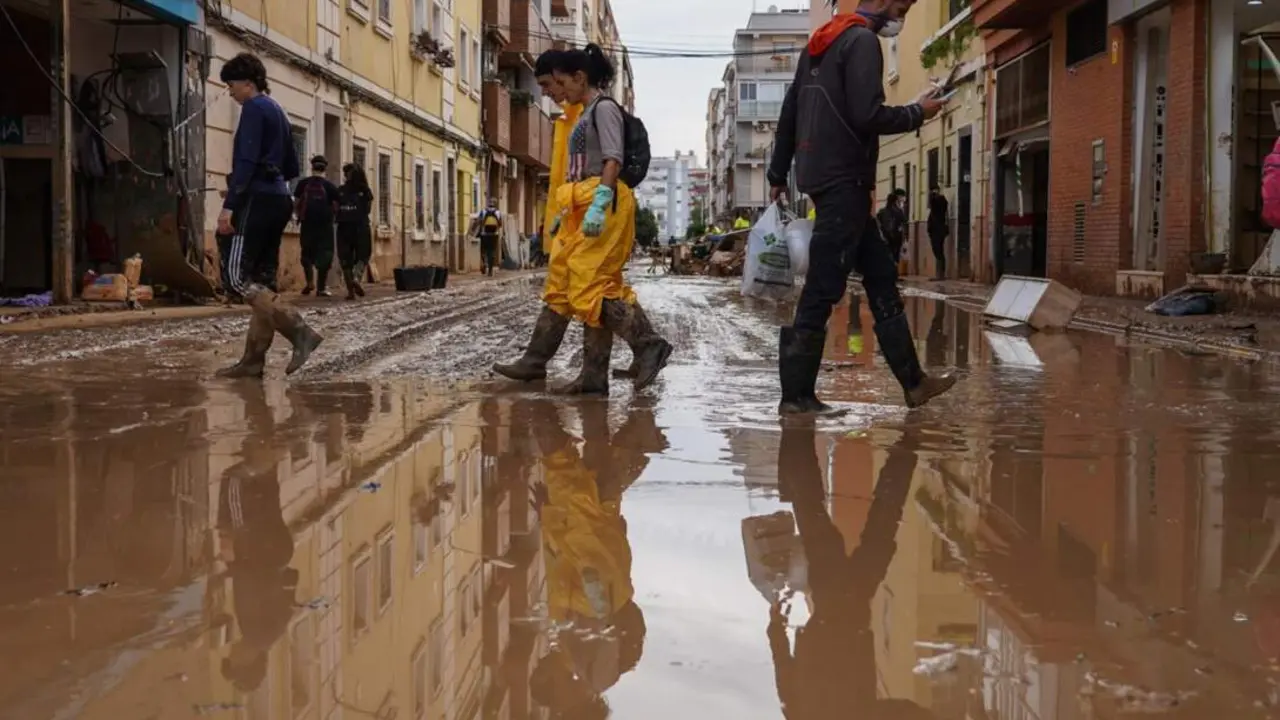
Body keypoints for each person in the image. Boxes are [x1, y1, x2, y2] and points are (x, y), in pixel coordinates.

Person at [766, 0, 954, 414]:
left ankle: (915, 383)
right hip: (845, 182)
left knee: (882, 275)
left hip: (824, 178)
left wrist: (778, 173)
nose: (902, 17)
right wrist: (916, 113)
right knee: (822, 288)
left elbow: (790, 112)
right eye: (903, 6)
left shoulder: (818, 45)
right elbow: (867, 115)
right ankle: (796, 397)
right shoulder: (862, 42)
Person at [493, 47, 671, 394]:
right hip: (583, 202)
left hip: (602, 200)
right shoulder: (583, 112)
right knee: (562, 284)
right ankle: (565, 369)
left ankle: (648, 344)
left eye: (553, 83)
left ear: (578, 77)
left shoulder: (603, 109)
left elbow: (612, 159)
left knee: (589, 287)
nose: (548, 92)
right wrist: (568, 211)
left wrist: (599, 202)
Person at [768, 421, 937, 720]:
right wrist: (776, 630)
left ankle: (904, 452)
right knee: (814, 515)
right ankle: (796, 448)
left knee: (880, 524)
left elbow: (896, 714)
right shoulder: (800, 716)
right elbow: (784, 674)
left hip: (850, 610)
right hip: (832, 606)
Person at [216, 52, 323, 378]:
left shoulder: (253, 109)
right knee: (262, 281)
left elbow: (246, 160)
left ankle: (300, 332)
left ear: (248, 83)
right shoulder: (278, 110)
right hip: (278, 198)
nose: (230, 92)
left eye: (232, 85)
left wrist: (231, 203)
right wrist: (268, 181)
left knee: (236, 278)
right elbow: (291, 165)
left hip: (257, 200)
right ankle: (253, 361)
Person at [293, 155, 339, 296]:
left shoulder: (302, 184)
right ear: (325, 168)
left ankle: (309, 282)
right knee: (325, 255)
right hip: (325, 226)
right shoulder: (330, 186)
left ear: (311, 167)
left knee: (306, 252)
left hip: (307, 224)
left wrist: (298, 217)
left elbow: (296, 203)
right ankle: (321, 288)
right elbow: (336, 206)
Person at [336, 162, 374, 301]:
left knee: (345, 258)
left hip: (343, 226)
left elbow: (335, 208)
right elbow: (368, 209)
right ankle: (357, 277)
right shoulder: (365, 190)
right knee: (363, 255)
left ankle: (350, 292)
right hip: (361, 225)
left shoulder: (340, 190)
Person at [876, 188, 908, 266]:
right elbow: (904, 220)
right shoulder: (898, 211)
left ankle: (889, 272)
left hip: (885, 236)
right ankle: (894, 273)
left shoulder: (882, 211)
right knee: (895, 255)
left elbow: (878, 221)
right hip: (896, 236)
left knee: (888, 254)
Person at [474, 197, 503, 276]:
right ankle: (490, 271)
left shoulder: (483, 211)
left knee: (483, 250)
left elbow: (479, 222)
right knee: (492, 252)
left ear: (488, 204)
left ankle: (484, 263)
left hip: (484, 234)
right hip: (494, 235)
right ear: (495, 204)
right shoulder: (498, 212)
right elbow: (500, 224)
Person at [927, 185, 949, 280]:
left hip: (937, 231)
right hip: (938, 230)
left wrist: (933, 195)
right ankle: (940, 274)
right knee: (939, 252)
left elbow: (934, 203)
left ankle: (940, 275)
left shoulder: (938, 203)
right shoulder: (940, 203)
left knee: (938, 252)